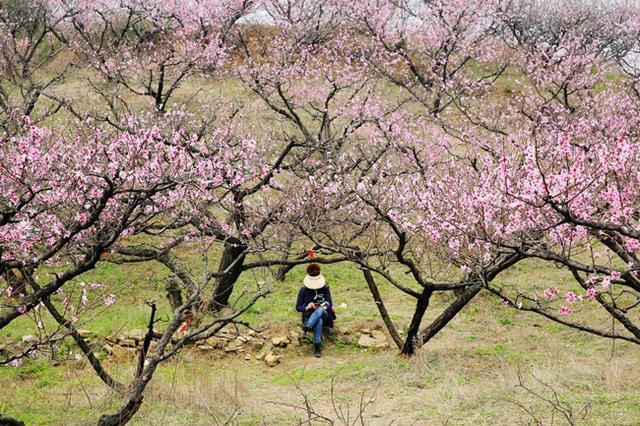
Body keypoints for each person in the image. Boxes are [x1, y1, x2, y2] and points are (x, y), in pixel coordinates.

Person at [296, 263, 334, 357]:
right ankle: (317, 346)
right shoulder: (303, 290)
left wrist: (322, 306)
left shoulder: (325, 288)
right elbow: (298, 307)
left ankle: (307, 327)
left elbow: (330, 304)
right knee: (319, 320)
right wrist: (307, 307)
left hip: (325, 314)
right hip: (309, 316)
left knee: (320, 311)